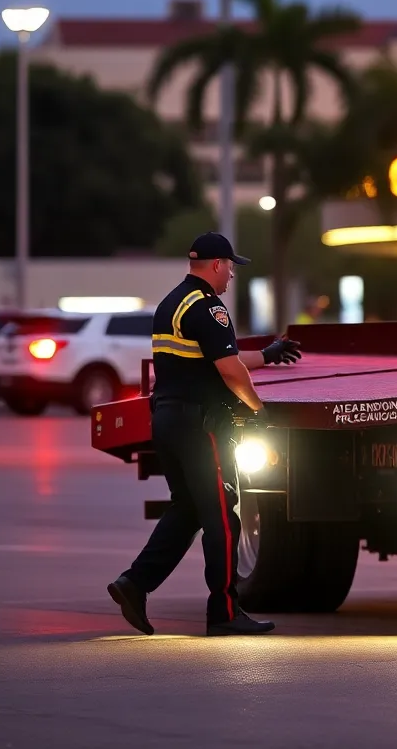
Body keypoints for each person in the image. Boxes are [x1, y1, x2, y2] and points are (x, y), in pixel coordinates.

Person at [107, 232, 303, 637]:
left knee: (188, 509)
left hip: (167, 420)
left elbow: (218, 357)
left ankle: (134, 583)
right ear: (216, 264)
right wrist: (258, 410)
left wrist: (267, 355)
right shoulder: (210, 307)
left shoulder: (172, 303)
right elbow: (230, 371)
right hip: (201, 427)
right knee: (222, 516)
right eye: (230, 266)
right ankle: (225, 612)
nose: (232, 275)